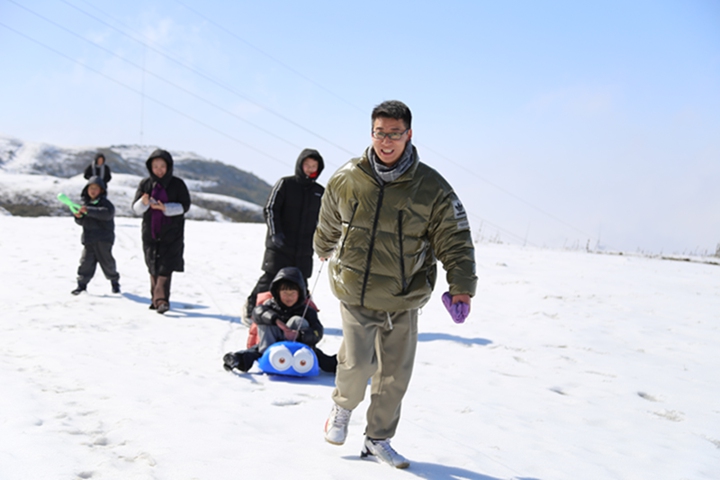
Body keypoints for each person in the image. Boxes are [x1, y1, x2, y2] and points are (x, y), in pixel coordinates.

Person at [314, 100, 477, 468]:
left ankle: (378, 439)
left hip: (404, 296)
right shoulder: (346, 178)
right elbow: (327, 223)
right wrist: (322, 248)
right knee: (356, 365)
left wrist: (461, 285)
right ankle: (341, 409)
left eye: (394, 134)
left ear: (409, 135)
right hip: (355, 289)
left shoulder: (431, 188)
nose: (386, 142)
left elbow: (455, 239)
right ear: (371, 133)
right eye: (379, 133)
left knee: (394, 376)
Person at [243, 148, 325, 324]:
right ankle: (251, 308)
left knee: (301, 283)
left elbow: (325, 221)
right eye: (307, 165)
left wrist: (323, 245)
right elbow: (271, 209)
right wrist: (275, 233)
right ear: (300, 165)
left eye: (314, 166)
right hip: (280, 245)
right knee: (270, 279)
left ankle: (300, 317)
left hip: (303, 248)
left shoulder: (320, 192)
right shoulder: (286, 184)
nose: (310, 169)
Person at [224, 266, 337, 373]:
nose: (289, 297)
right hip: (271, 348)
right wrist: (276, 320)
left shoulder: (306, 310)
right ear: (277, 292)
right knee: (255, 346)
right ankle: (237, 360)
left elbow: (317, 331)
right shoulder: (270, 305)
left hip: (298, 351)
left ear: (300, 293)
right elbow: (257, 312)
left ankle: (341, 365)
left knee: (298, 322)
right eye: (285, 293)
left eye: (293, 293)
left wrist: (299, 335)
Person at [132, 149, 191, 314]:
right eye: (155, 166)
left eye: (162, 166)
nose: (159, 169)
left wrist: (165, 208)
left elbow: (185, 206)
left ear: (168, 166)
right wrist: (143, 202)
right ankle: (156, 300)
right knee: (153, 266)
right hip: (151, 232)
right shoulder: (145, 184)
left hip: (172, 233)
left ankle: (161, 300)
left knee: (166, 267)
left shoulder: (177, 184)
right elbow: (136, 209)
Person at [71, 176, 120, 295]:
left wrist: (88, 211)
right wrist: (78, 217)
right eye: (90, 188)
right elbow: (82, 222)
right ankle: (81, 285)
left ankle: (114, 282)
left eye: (95, 188)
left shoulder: (106, 204)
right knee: (85, 263)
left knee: (107, 263)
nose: (92, 191)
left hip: (104, 240)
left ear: (101, 190)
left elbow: (106, 214)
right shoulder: (85, 205)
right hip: (89, 239)